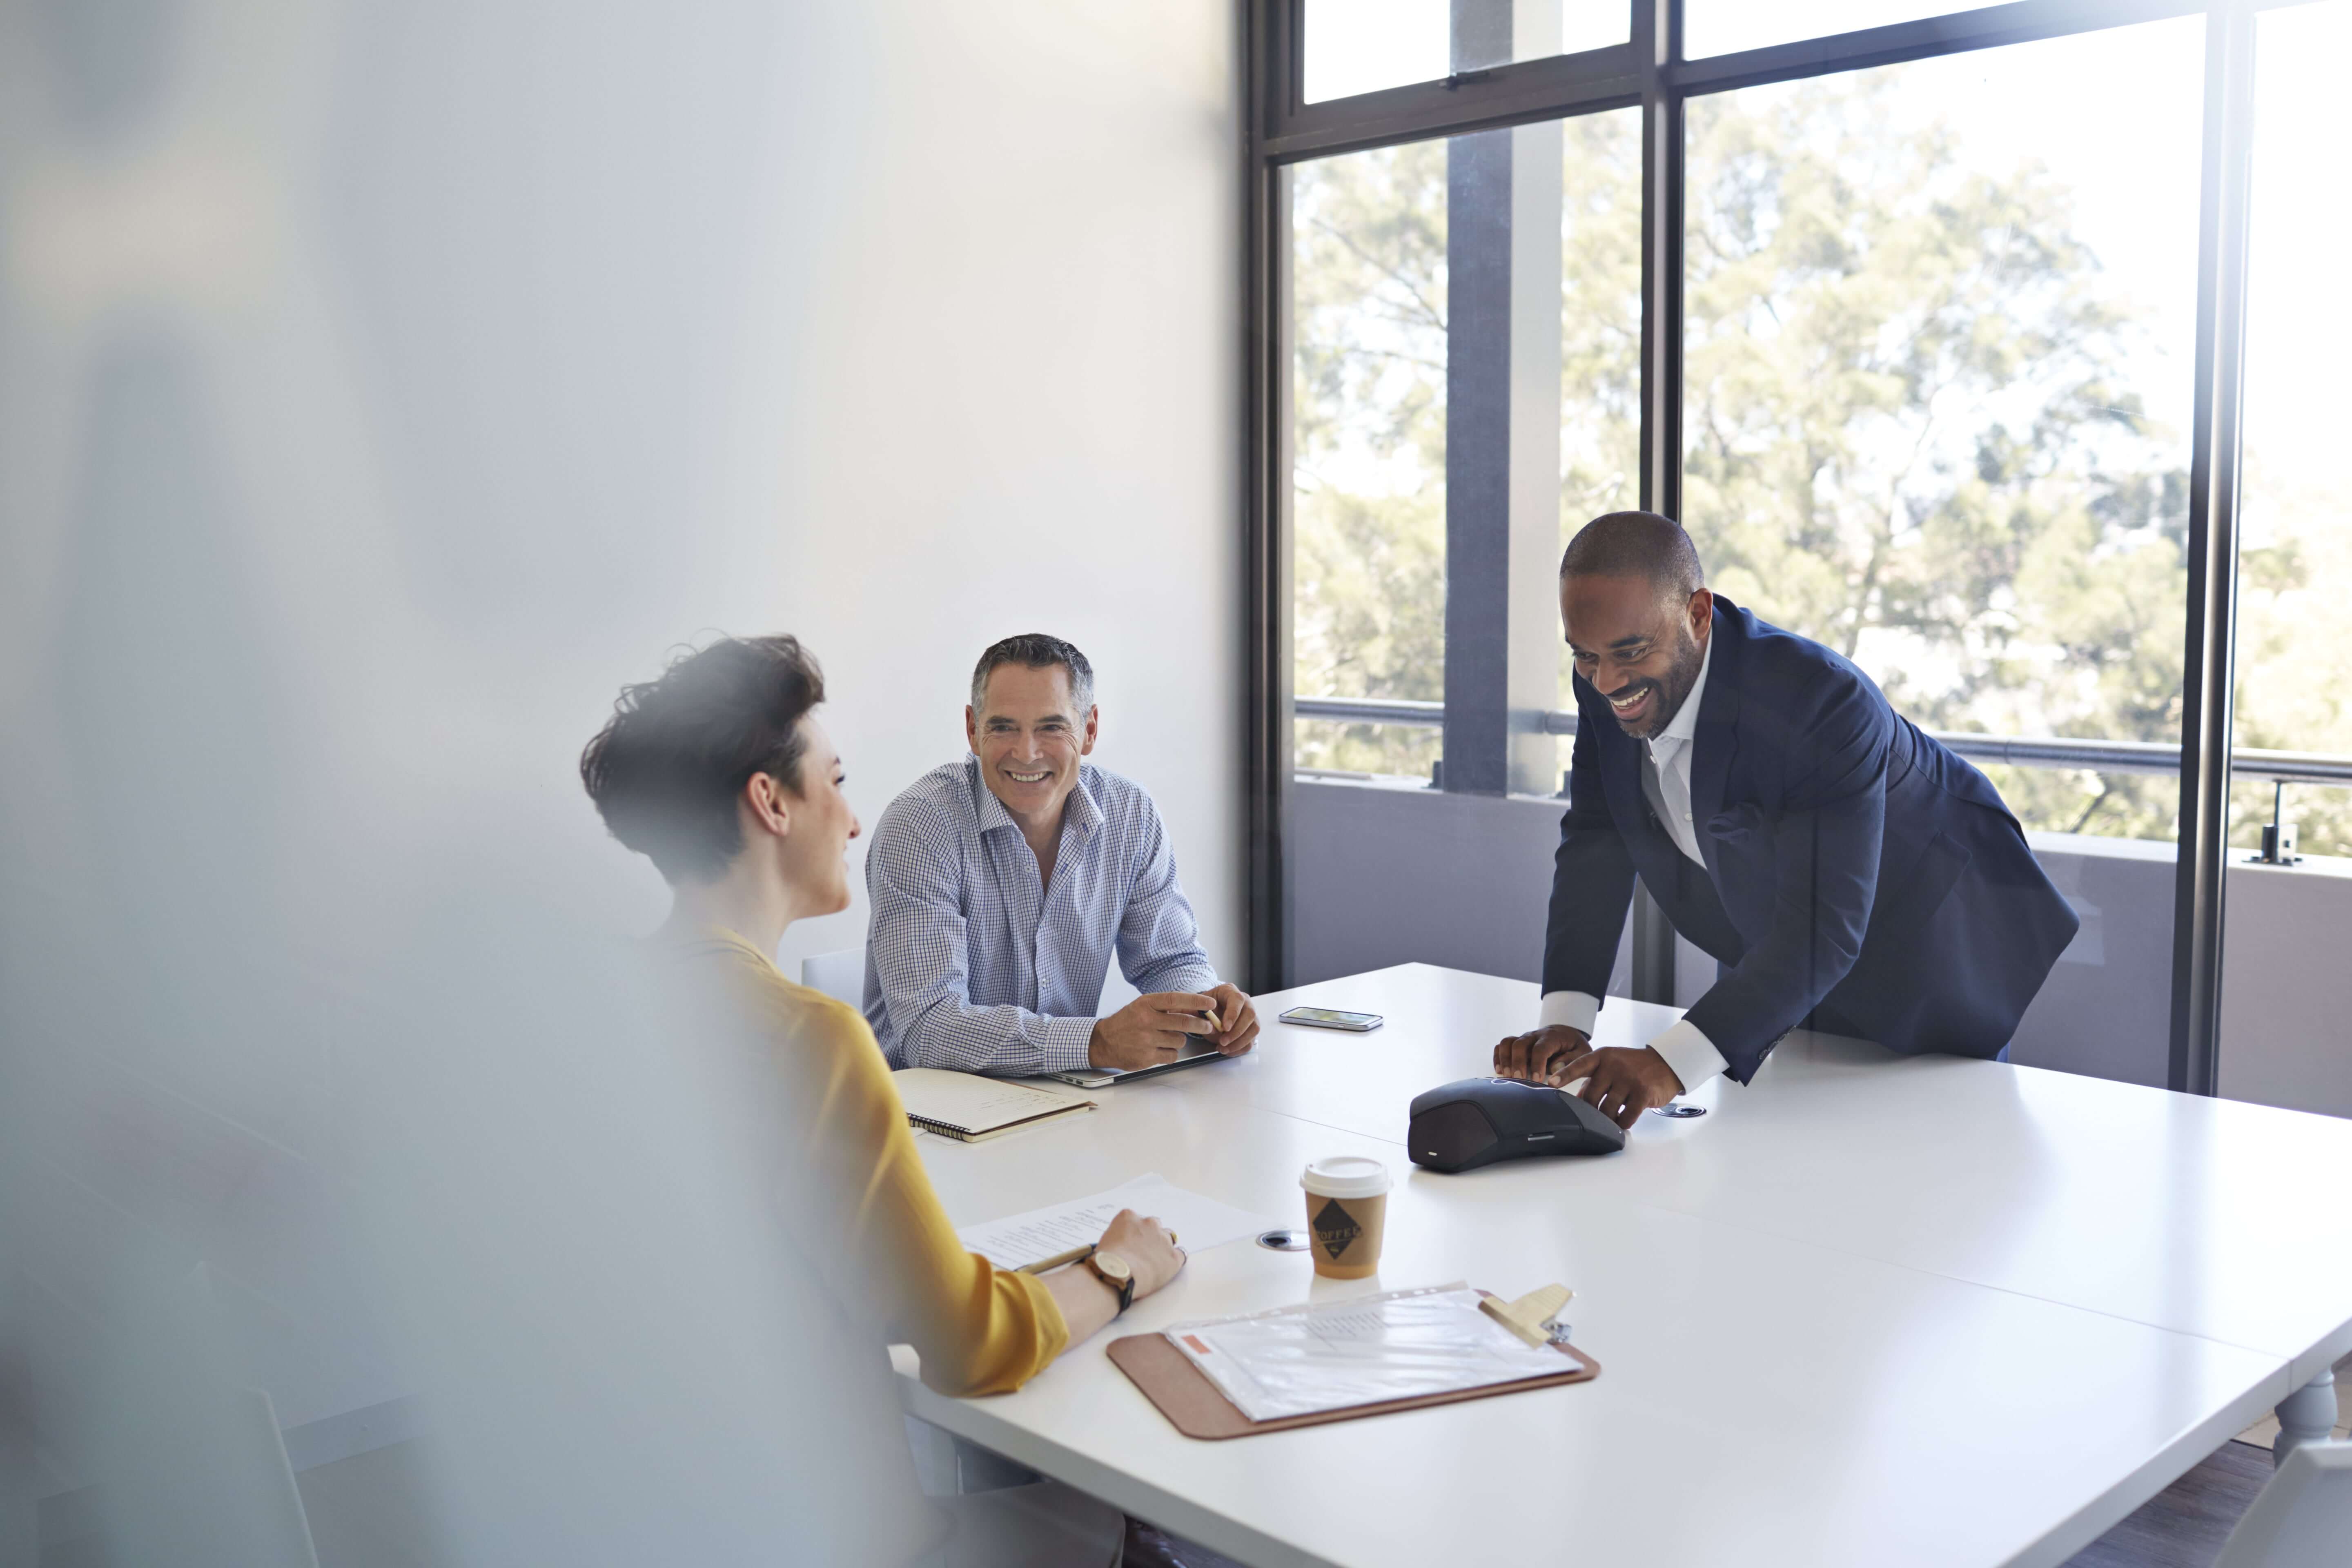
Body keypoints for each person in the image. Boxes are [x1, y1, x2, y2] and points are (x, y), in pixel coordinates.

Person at [578, 635, 1187, 1409]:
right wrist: (1118, 1268)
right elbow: (973, 1344)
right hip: (832, 1508)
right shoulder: (810, 1037)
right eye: (834, 781)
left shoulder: (606, 1004)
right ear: (771, 803)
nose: (857, 821)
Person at [1493, 512, 2081, 1126]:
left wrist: (1666, 1065)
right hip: (1782, 960)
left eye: (1630, 652)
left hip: (1931, 950)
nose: (1607, 680)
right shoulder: (1603, 680)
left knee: (1932, 1175)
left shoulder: (1822, 700)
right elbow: (1597, 839)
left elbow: (1824, 928)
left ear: (1697, 614)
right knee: (1767, 1172)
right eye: (1585, 655)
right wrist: (1565, 1021)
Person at [863, 633, 1259, 1076]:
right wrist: (1095, 1043)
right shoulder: (920, 826)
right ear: (973, 730)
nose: (1027, 753)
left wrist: (1208, 1010)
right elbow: (929, 1029)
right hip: (922, 1121)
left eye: (1052, 727)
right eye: (1003, 727)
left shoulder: (1130, 814)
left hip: (1065, 1101)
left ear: (1089, 731)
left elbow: (1171, 960)